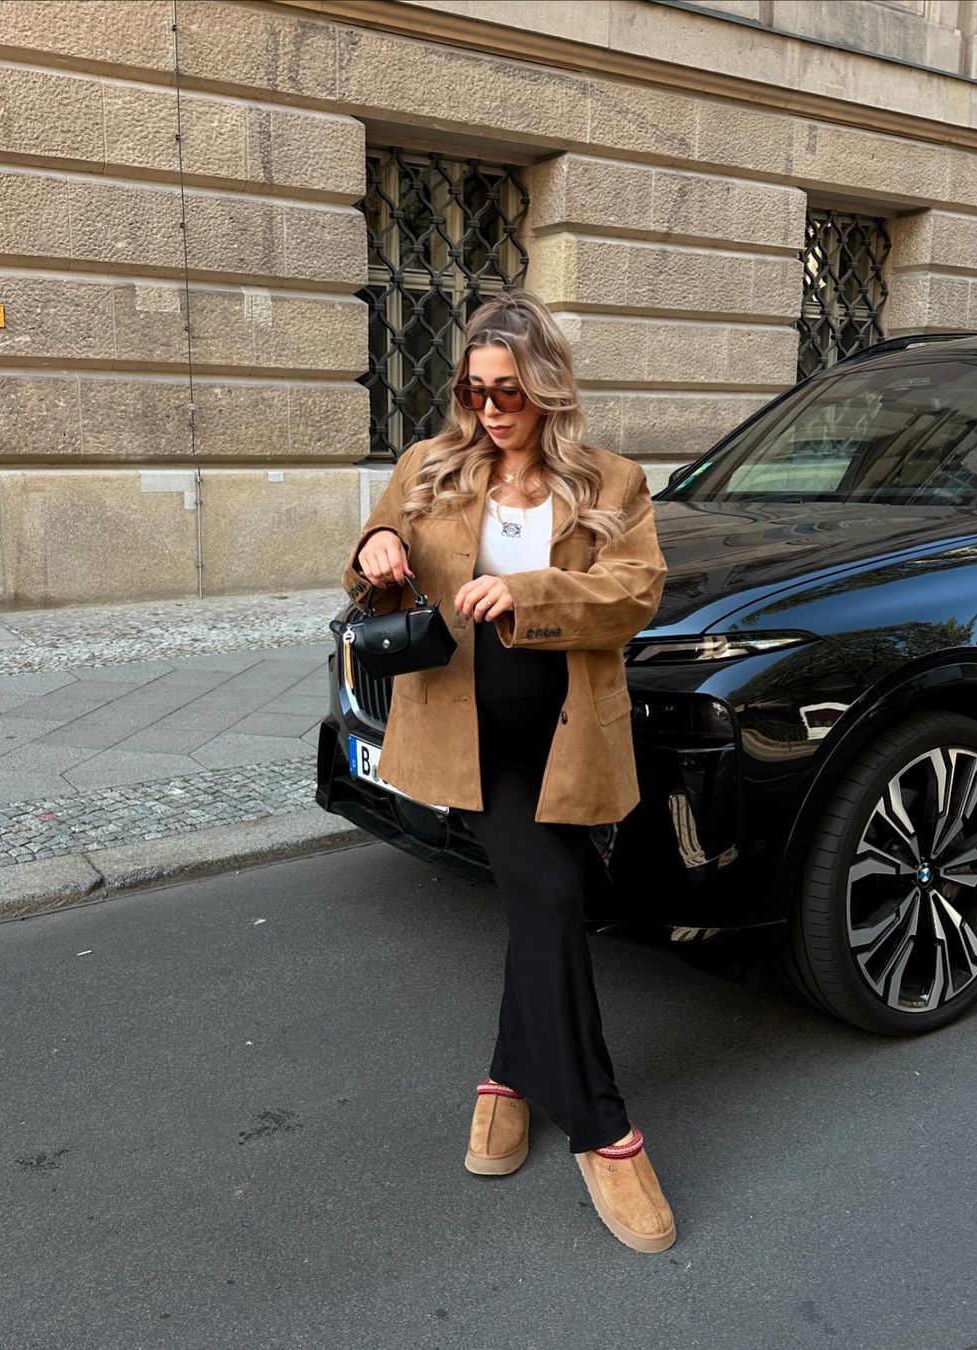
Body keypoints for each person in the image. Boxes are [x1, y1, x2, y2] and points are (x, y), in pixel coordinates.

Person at [339, 290, 674, 1253]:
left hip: (567, 737)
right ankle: (606, 1128)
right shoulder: (431, 469)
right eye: (475, 390)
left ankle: (506, 1076)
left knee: (545, 907)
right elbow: (365, 557)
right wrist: (380, 545)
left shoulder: (611, 482)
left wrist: (526, 591)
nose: (489, 409)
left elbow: (635, 592)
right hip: (464, 734)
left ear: (546, 389)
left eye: (508, 392)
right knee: (556, 898)